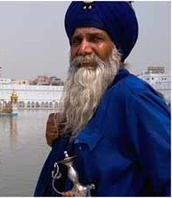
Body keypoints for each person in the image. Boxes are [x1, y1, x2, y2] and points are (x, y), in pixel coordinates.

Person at [34, 1, 170, 196]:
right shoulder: (87, 99)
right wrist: (61, 139)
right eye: (76, 41)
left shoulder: (134, 98)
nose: (83, 49)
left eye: (95, 39)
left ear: (117, 48)